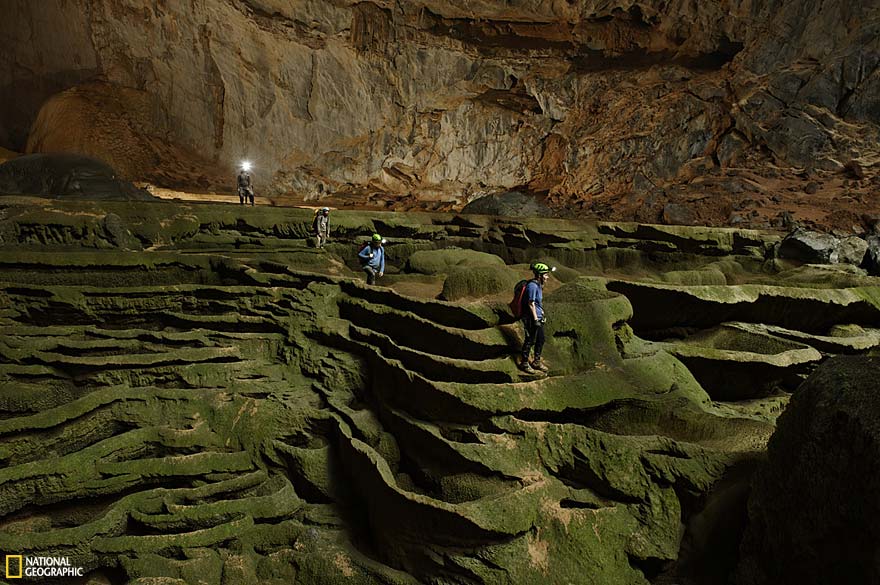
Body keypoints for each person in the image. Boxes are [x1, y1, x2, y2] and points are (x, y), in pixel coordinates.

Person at [519, 262, 554, 374]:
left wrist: (541, 312)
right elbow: (531, 303)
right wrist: (535, 319)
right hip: (531, 318)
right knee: (530, 340)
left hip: (538, 317)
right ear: (539, 275)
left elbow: (537, 303)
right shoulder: (532, 286)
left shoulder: (538, 285)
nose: (547, 277)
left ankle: (536, 361)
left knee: (541, 339)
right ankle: (524, 363)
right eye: (546, 274)